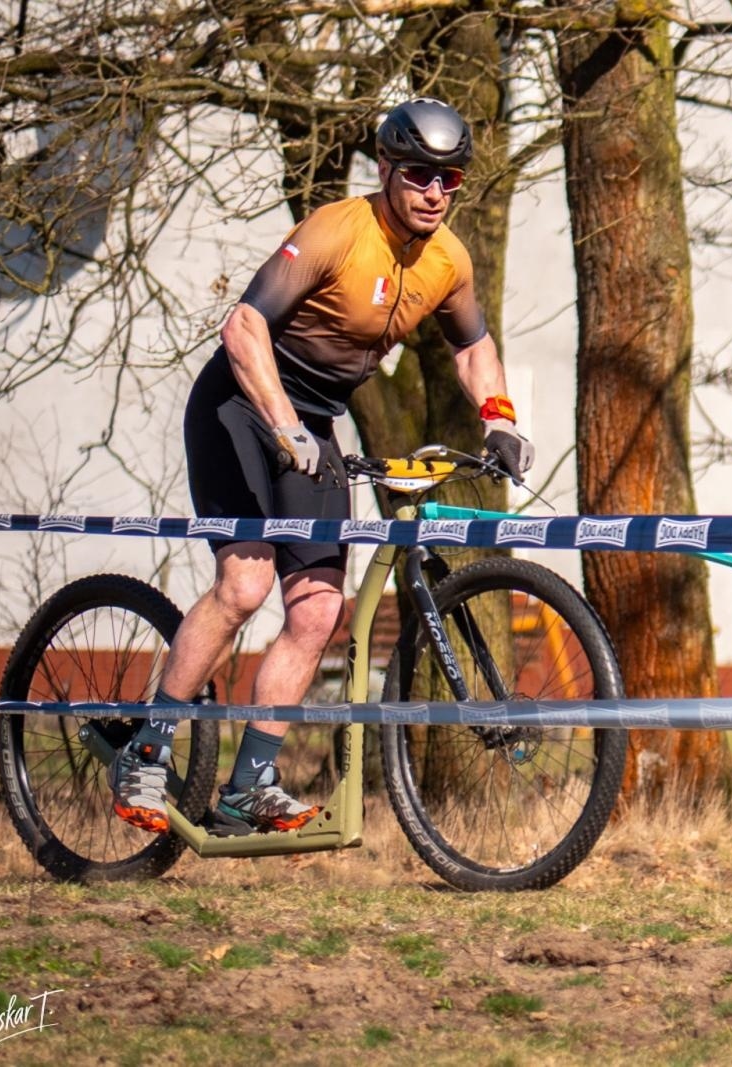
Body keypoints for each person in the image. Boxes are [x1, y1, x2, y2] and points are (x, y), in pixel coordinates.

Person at [111, 97, 533, 834]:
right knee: (244, 586)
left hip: (312, 423)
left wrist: (498, 417)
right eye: (419, 175)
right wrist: (280, 422)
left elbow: (471, 347)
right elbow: (243, 326)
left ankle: (249, 781)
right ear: (387, 170)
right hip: (242, 406)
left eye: (451, 179)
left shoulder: (448, 259)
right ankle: (146, 749)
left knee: (317, 610)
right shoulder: (338, 230)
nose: (435, 192)